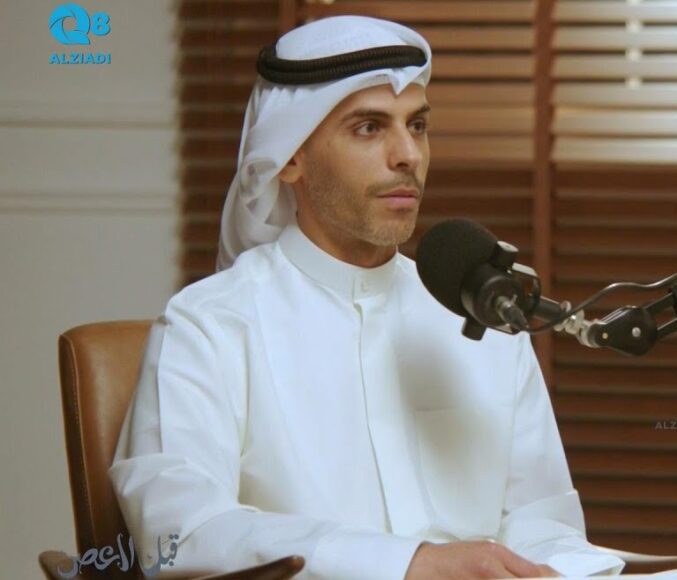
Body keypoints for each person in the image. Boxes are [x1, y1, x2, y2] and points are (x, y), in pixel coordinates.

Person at [110, 16, 625, 579]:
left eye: (418, 125)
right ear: (290, 157)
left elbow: (544, 527)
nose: (408, 155)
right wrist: (407, 565)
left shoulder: (484, 315)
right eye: (369, 128)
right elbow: (183, 534)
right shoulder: (209, 326)